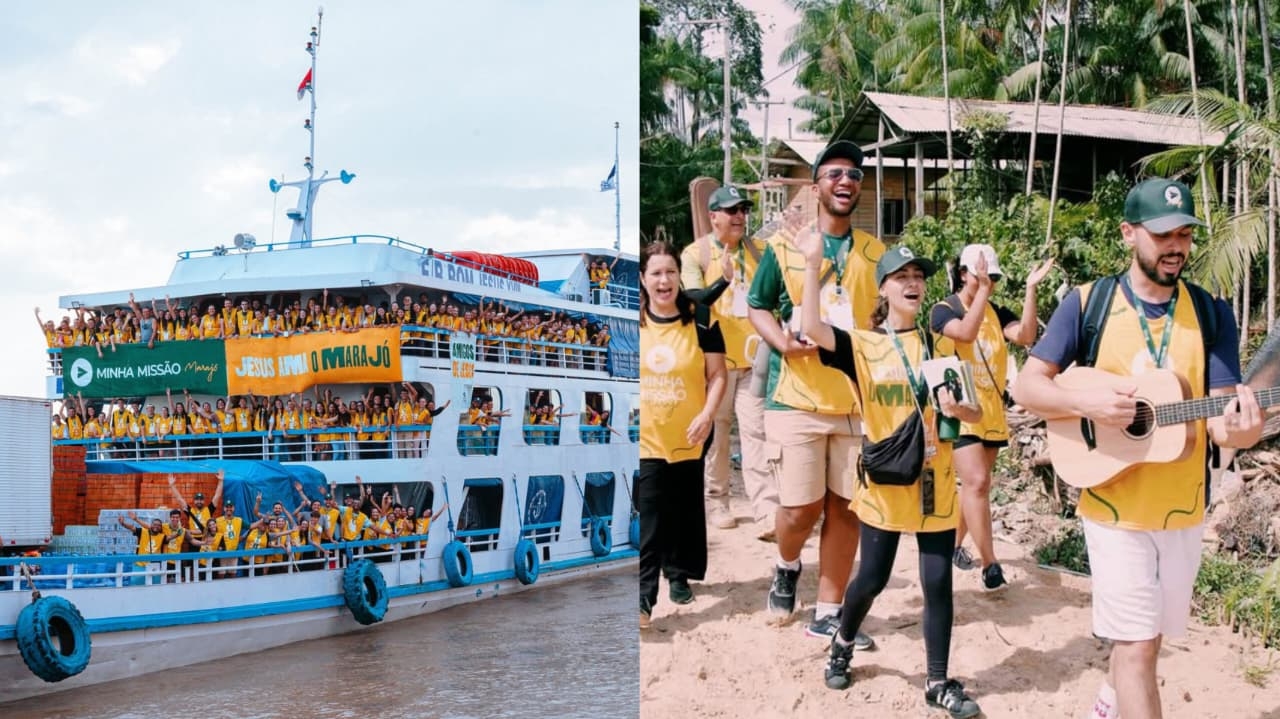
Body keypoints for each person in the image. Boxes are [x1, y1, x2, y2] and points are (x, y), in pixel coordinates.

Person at [1012, 178, 1262, 719]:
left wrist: (1244, 430)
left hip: (1182, 508)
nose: (1176, 246)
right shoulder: (1088, 304)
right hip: (1112, 506)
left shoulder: (1212, 313)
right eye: (1162, 234)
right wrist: (1091, 407)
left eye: (1185, 235)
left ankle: (1109, 701)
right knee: (1137, 648)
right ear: (1128, 234)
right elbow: (1027, 386)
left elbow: (1222, 421)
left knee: (1152, 642)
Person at [800, 240, 983, 717]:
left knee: (938, 581)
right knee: (872, 579)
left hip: (934, 482)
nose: (912, 283)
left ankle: (937, 681)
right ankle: (842, 639)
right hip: (884, 483)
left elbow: (973, 409)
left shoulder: (939, 346)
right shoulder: (862, 345)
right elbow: (810, 327)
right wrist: (814, 264)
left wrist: (961, 409)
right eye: (901, 276)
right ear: (883, 288)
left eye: (919, 276)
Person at [747, 139, 883, 644]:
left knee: (847, 508)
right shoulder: (783, 247)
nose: (845, 181)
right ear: (816, 186)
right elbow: (758, 304)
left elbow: (885, 320)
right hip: (796, 400)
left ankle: (828, 610)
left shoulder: (876, 253)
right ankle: (786, 565)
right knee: (800, 509)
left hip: (854, 402)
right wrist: (781, 340)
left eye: (854, 175)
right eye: (834, 174)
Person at [929, 244, 1054, 590]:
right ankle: (990, 565)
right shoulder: (943, 310)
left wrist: (1030, 289)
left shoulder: (996, 312)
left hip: (991, 410)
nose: (990, 282)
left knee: (978, 486)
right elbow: (965, 333)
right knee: (977, 482)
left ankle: (953, 546)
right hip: (957, 409)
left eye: (994, 277)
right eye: (984, 276)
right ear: (964, 274)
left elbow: (1026, 336)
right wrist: (982, 293)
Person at [681, 186, 779, 540]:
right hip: (715, 361)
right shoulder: (695, 254)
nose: (739, 216)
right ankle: (717, 500)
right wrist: (723, 279)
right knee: (717, 434)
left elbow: (779, 294)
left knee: (756, 432)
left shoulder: (762, 251)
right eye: (731, 210)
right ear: (714, 217)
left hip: (754, 358)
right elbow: (694, 300)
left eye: (743, 210)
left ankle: (766, 511)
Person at [638, 240, 727, 628]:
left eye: (670, 272)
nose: (664, 280)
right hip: (646, 435)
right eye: (656, 273)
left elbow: (718, 375)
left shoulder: (703, 318)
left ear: (679, 276)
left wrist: (708, 414)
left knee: (683, 505)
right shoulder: (633, 321)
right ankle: (642, 599)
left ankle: (678, 574)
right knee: (651, 513)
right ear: (643, 279)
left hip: (691, 430)